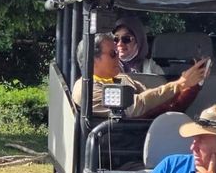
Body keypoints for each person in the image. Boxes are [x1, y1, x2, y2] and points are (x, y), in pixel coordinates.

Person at [72, 33, 207, 119]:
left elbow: (163, 106)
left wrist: (193, 85)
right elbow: (134, 107)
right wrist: (180, 84)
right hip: (117, 154)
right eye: (113, 54)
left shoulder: (122, 79)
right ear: (93, 59)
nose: (117, 58)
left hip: (142, 140)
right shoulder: (85, 89)